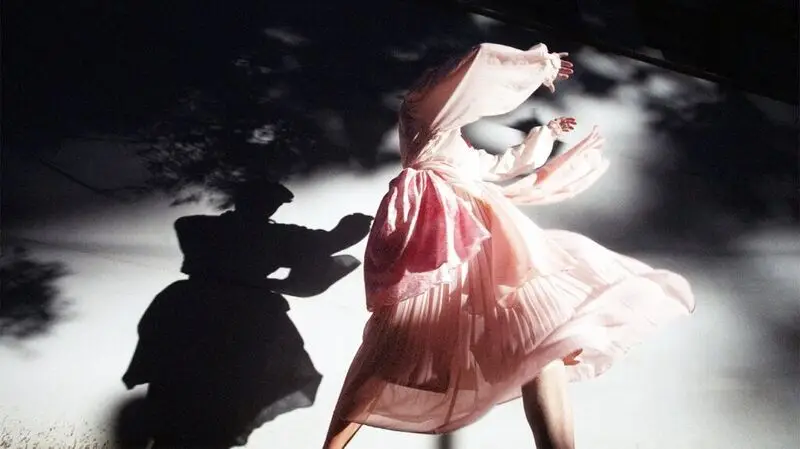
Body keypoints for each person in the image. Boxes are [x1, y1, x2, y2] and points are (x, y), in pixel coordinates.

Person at [322, 43, 696, 449]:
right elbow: (473, 70)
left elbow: (502, 166)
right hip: (439, 240)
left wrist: (547, 135)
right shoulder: (420, 115)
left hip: (487, 243)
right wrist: (536, 66)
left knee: (543, 341)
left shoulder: (456, 147)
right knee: (392, 349)